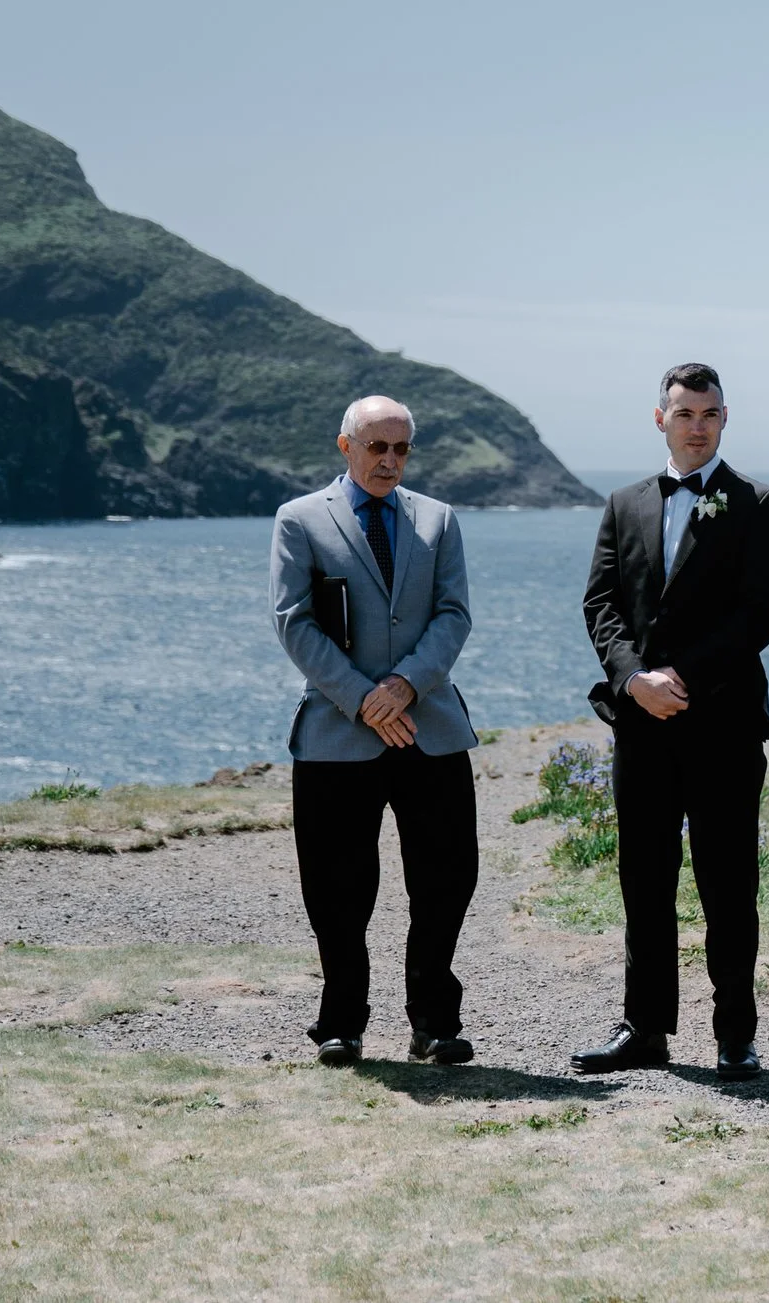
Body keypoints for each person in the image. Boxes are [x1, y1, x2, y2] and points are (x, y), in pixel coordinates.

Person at [571, 363, 769, 1080]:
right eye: (684, 412)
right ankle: (645, 1028)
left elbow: (762, 610)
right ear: (659, 418)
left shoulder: (758, 501)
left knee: (729, 883)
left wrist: (683, 679)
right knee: (645, 880)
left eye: (710, 413)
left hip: (722, 725)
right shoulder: (623, 502)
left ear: (725, 419)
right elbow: (601, 603)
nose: (697, 424)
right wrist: (634, 678)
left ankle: (735, 1034)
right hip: (640, 725)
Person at [269, 395, 481, 1068]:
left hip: (430, 727)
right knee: (337, 886)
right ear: (346, 446)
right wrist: (364, 699)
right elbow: (293, 621)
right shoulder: (299, 520)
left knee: (447, 878)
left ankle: (435, 1022)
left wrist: (404, 687)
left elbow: (453, 614)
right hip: (338, 733)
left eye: (401, 449)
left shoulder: (438, 520)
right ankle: (341, 1022)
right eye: (376, 447)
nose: (389, 460)